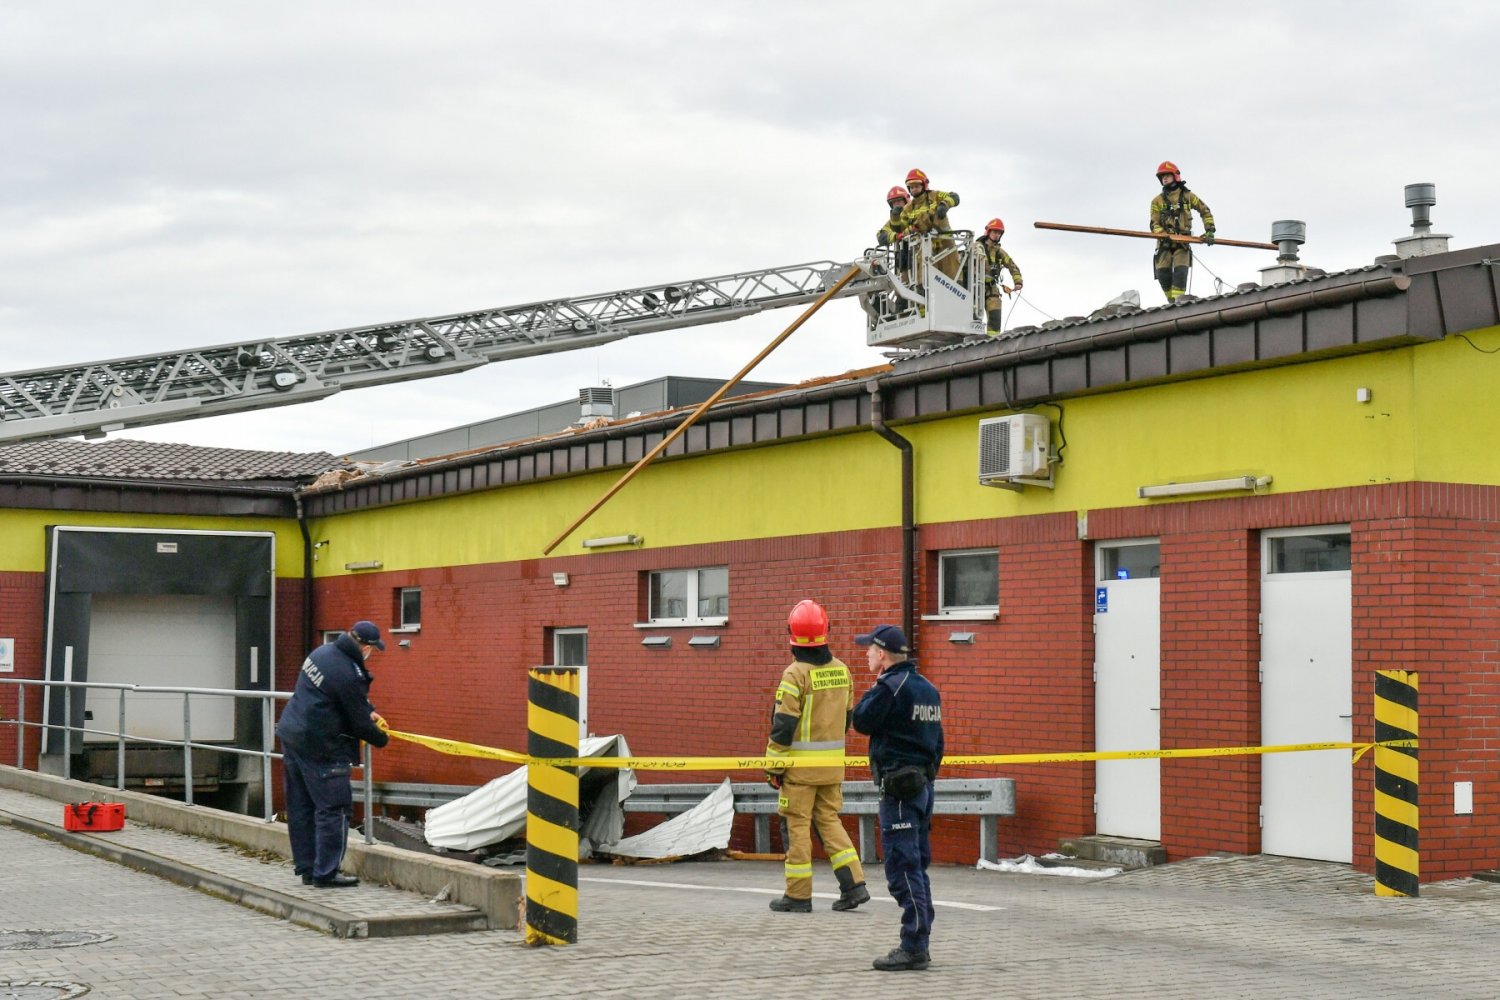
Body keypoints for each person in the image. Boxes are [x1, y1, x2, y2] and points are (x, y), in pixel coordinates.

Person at [764, 600, 870, 913]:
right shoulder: (842, 671)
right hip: (832, 766)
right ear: (827, 633)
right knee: (829, 821)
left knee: (796, 827)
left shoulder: (795, 674)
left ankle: (798, 895)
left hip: (799, 770)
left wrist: (774, 766)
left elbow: (782, 725)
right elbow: (847, 719)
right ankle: (854, 885)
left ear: (791, 635)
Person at [852, 624, 944, 972]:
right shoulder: (928, 689)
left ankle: (914, 944)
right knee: (916, 866)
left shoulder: (891, 686)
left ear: (883, 653)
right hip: (921, 787)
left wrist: (874, 688)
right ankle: (918, 941)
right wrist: (926, 775)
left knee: (902, 869)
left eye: (869, 650)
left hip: (900, 790)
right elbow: (938, 743)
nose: (866, 654)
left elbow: (860, 721)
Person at [276, 620, 390, 887]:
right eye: (372, 648)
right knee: (334, 809)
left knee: (301, 807)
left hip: (293, 735)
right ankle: (326, 873)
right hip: (323, 747)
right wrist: (381, 738)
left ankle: (307, 868)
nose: (370, 654)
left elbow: (335, 697)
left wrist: (365, 708)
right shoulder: (349, 672)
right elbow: (360, 723)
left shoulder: (321, 653)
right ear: (365, 645)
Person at [1149, 160, 1215, 302]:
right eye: (1162, 177)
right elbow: (1154, 224)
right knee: (1163, 274)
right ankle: (1172, 304)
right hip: (1164, 244)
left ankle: (1178, 304)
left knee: (1180, 274)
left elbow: (1205, 211)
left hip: (1182, 244)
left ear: (1175, 176)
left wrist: (1209, 230)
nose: (1164, 178)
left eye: (1167, 175)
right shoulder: (1157, 201)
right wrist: (1162, 234)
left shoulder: (1188, 196)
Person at [897, 169, 961, 282]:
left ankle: (957, 284)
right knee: (927, 274)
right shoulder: (907, 208)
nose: (914, 189)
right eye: (911, 187)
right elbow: (902, 228)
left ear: (924, 185)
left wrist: (944, 205)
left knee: (952, 273)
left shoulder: (935, 195)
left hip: (944, 240)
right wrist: (910, 230)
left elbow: (954, 196)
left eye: (916, 186)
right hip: (923, 244)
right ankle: (923, 286)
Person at [979, 218, 1024, 335]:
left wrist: (1018, 281)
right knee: (973, 319)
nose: (996, 235)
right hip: (975, 288)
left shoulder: (1000, 252)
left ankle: (992, 341)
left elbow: (1012, 266)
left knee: (995, 316)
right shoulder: (976, 248)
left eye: (999, 233)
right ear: (988, 232)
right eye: (994, 232)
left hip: (991, 288)